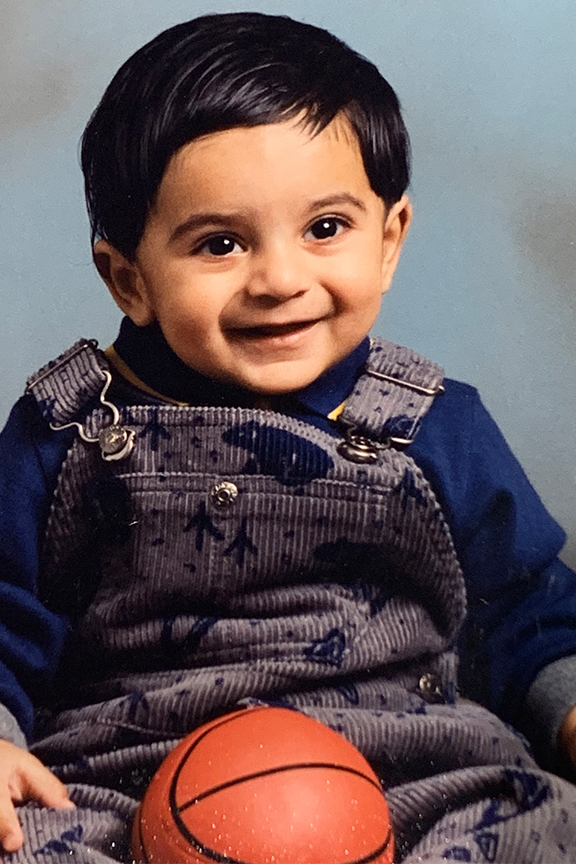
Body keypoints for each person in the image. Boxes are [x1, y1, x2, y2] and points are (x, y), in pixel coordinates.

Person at [1, 11, 576, 862]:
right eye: (221, 243)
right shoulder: (70, 434)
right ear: (129, 278)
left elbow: (527, 610)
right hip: (124, 781)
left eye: (325, 229)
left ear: (389, 241)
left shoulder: (431, 423)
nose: (280, 280)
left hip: (413, 771)